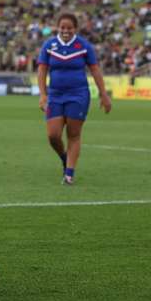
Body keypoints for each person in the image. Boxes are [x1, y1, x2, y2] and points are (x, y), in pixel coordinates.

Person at [37, 13, 112, 185]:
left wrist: (104, 94)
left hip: (78, 95)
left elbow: (95, 70)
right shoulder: (49, 45)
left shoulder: (84, 46)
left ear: (75, 29)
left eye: (69, 28)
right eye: (62, 27)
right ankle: (64, 157)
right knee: (53, 135)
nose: (65, 31)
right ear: (58, 27)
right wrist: (43, 94)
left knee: (73, 134)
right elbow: (42, 71)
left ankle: (69, 173)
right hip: (55, 95)